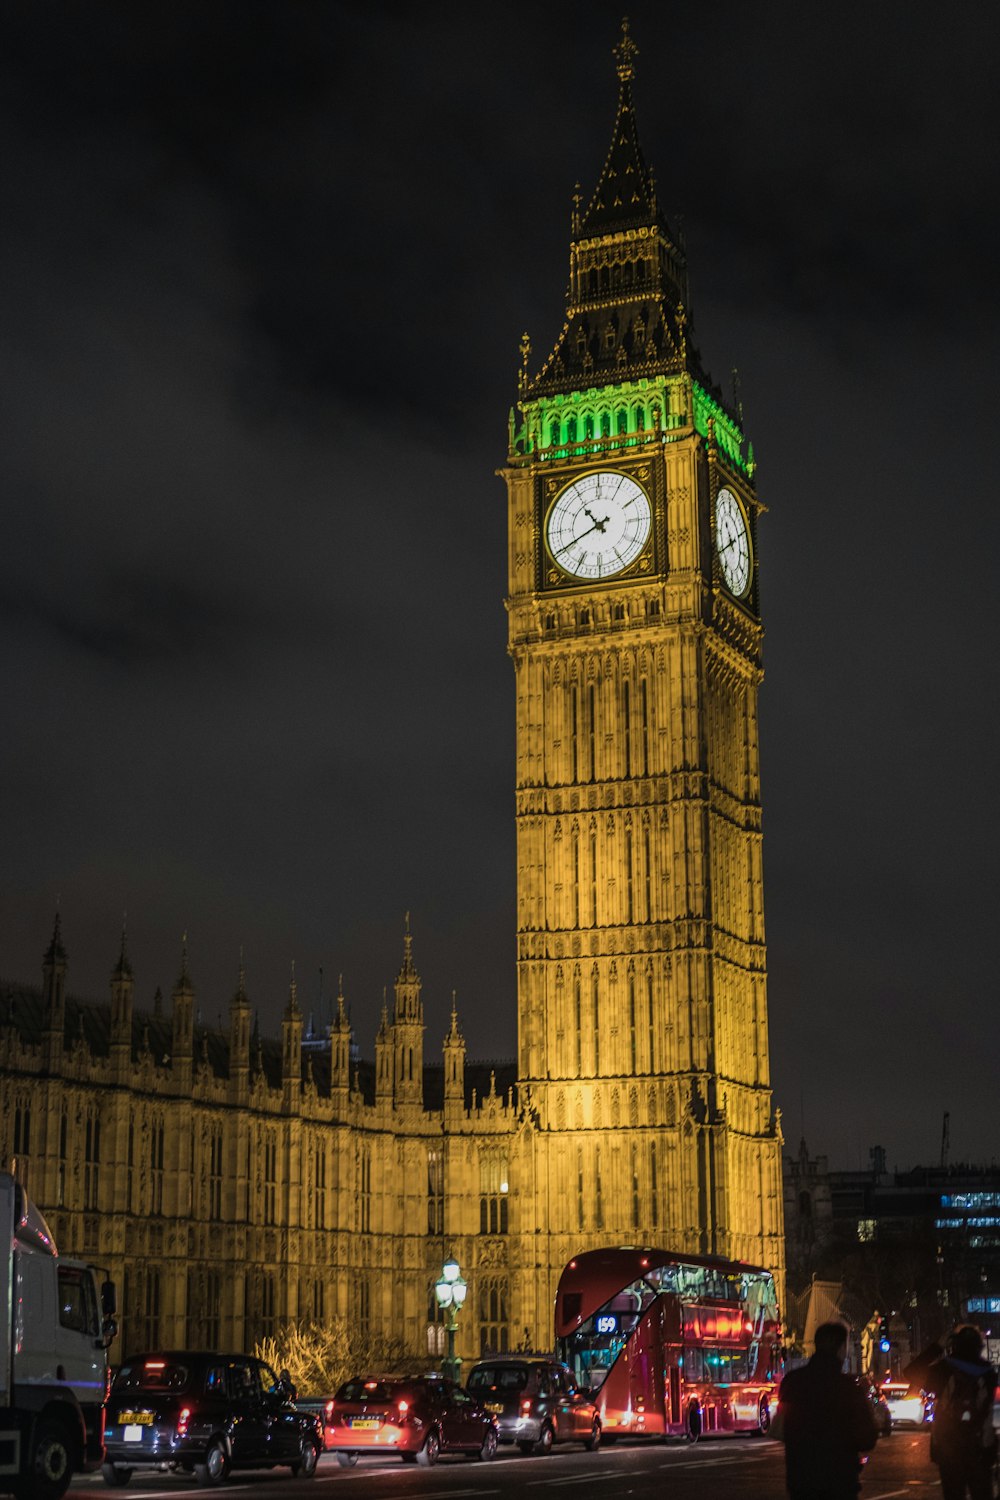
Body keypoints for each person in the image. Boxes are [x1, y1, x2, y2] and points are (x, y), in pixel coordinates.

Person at [777, 1320, 879, 1500]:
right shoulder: (848, 1388)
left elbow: (782, 1430)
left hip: (801, 1481)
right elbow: (867, 1439)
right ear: (841, 1348)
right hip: (839, 1481)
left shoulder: (792, 1382)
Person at [926, 1325, 998, 1500]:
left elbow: (911, 1372)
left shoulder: (944, 1370)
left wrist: (938, 1346)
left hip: (948, 1449)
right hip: (980, 1449)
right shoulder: (989, 1373)